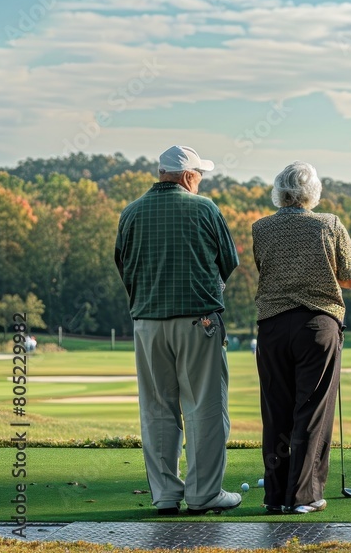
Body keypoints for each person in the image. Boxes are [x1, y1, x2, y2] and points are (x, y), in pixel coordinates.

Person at [114, 145, 241, 516]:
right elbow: (228, 263)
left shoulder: (131, 212)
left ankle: (166, 495)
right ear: (188, 176)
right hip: (198, 321)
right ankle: (204, 495)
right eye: (199, 175)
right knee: (205, 408)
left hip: (147, 324)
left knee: (156, 409)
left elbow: (124, 266)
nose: (199, 182)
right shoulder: (204, 208)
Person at [252, 161, 351, 515]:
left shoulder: (261, 228)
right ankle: (305, 496)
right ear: (313, 192)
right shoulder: (329, 224)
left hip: (272, 327)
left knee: (277, 410)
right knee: (311, 410)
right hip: (317, 326)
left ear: (278, 191)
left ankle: (275, 496)